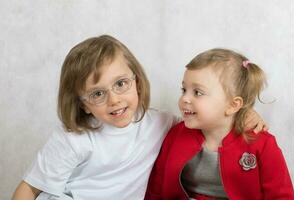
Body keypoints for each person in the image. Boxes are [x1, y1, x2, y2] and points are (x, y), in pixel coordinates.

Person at [11, 36, 267, 200]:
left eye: (121, 84)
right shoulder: (73, 139)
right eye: (98, 93)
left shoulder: (159, 124)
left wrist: (242, 115)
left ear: (137, 82)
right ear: (84, 105)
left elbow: (204, 119)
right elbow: (29, 189)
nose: (114, 100)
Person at [145, 48, 294, 199]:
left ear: (232, 105)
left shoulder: (262, 144)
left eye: (197, 92)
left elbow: (281, 196)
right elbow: (156, 190)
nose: (185, 98)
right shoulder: (176, 135)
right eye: (184, 89)